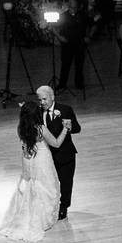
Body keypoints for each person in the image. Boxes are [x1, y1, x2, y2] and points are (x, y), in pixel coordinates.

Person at [0, 101, 71, 242]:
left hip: (29, 160)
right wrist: (65, 129)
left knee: (30, 186)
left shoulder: (22, 128)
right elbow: (56, 143)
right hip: (42, 160)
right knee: (47, 187)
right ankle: (43, 219)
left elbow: (24, 148)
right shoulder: (41, 128)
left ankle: (26, 216)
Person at [35, 85, 81, 221]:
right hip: (47, 155)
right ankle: (49, 206)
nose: (42, 102)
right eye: (40, 100)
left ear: (52, 97)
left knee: (66, 182)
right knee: (49, 182)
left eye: (45, 99)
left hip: (65, 153)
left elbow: (77, 129)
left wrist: (69, 126)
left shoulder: (65, 109)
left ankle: (64, 207)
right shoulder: (37, 112)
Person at [54, 0, 88, 91]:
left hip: (79, 43)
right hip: (67, 44)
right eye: (72, 7)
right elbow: (53, 27)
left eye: (75, 7)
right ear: (68, 7)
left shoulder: (82, 15)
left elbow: (88, 26)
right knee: (65, 64)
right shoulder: (63, 16)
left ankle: (79, 83)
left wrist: (88, 36)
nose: (74, 9)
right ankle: (62, 83)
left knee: (79, 64)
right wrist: (60, 37)